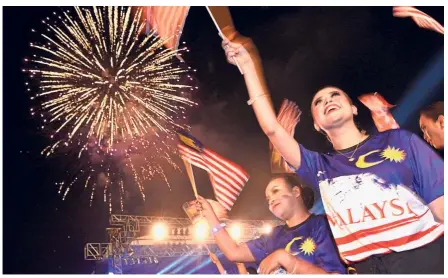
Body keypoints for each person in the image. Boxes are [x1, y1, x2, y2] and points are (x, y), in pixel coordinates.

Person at [220, 29, 444, 274]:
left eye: (335, 95)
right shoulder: (319, 166)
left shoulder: (401, 140)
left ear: (353, 108)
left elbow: (441, 205)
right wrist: (248, 66)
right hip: (366, 268)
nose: (327, 100)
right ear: (317, 123)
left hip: (425, 258)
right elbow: (272, 129)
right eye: (318, 101)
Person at [194, 174, 347, 274]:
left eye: (275, 191)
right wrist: (211, 217)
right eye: (268, 199)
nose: (271, 199)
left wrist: (287, 260)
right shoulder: (274, 235)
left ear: (296, 192)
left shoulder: (323, 225)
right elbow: (234, 253)